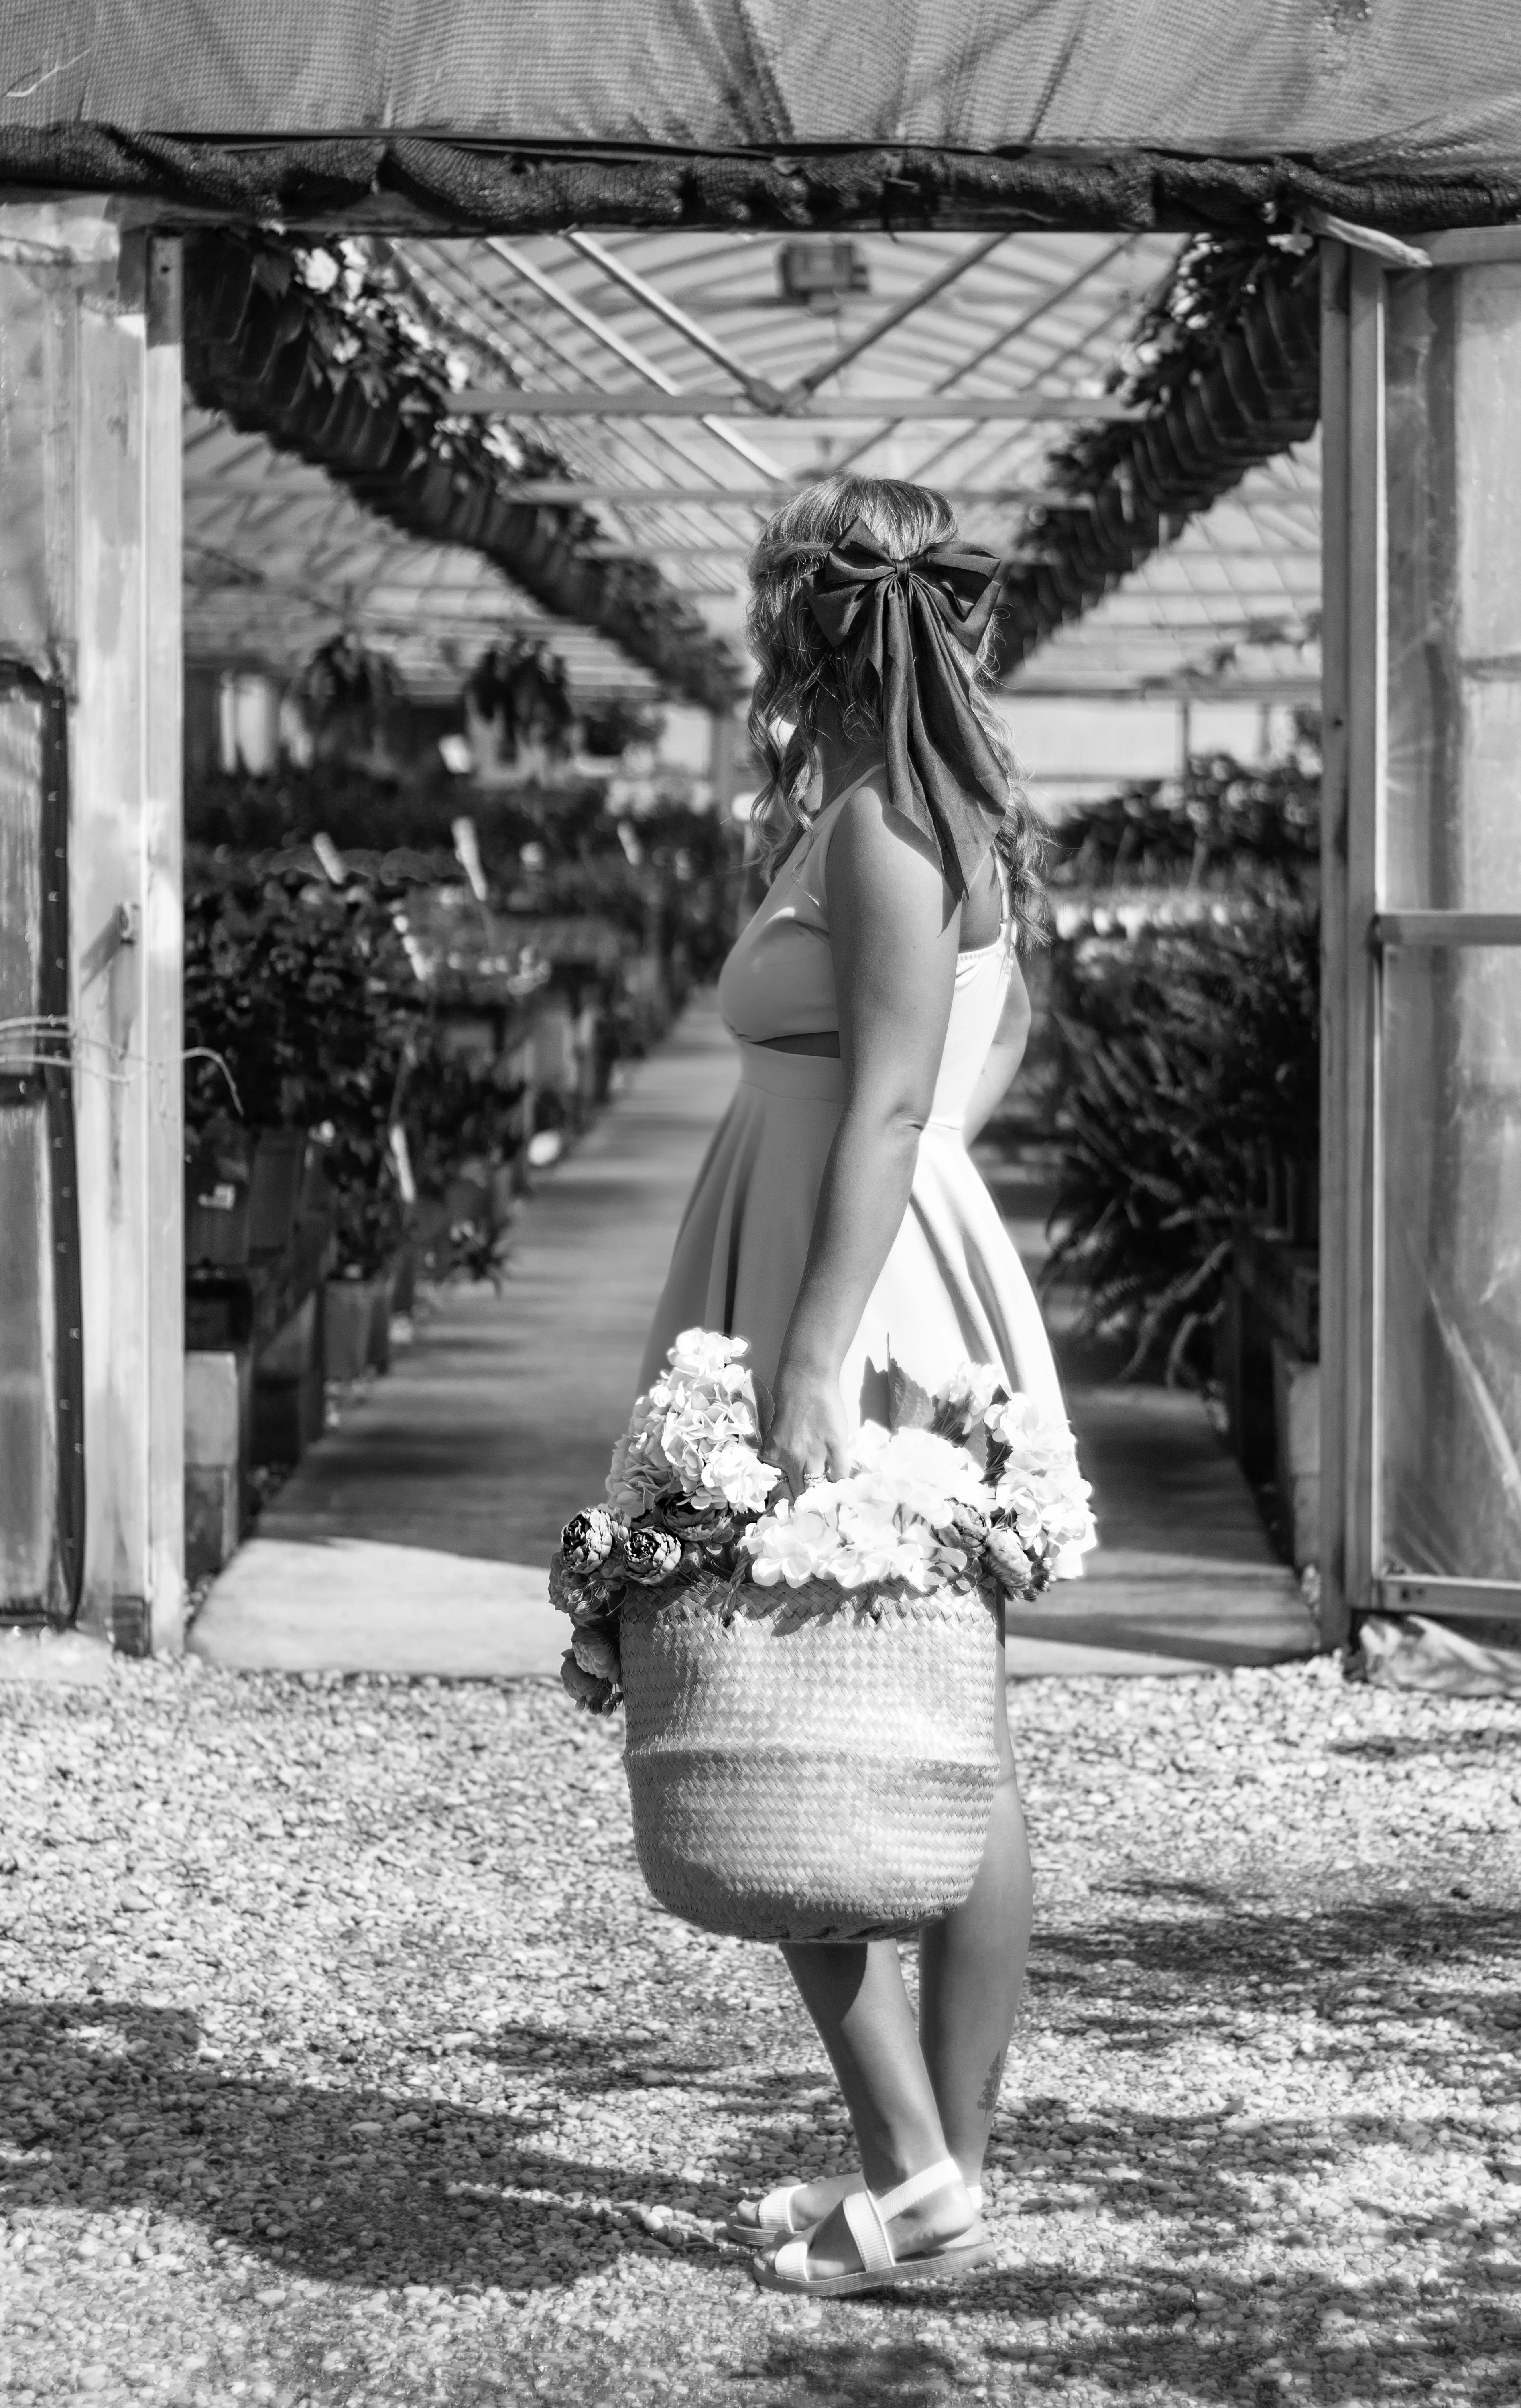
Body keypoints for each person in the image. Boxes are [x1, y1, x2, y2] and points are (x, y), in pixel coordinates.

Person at [637, 473, 1071, 2298]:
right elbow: (998, 1030)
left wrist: (817, 1349)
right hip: (867, 1259)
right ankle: (928, 2187)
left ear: (801, 626)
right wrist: (929, 1186)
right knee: (934, 1727)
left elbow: (891, 1096)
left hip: (841, 1300)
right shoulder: (929, 811)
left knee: (781, 1695)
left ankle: (909, 2158)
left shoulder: (887, 822)